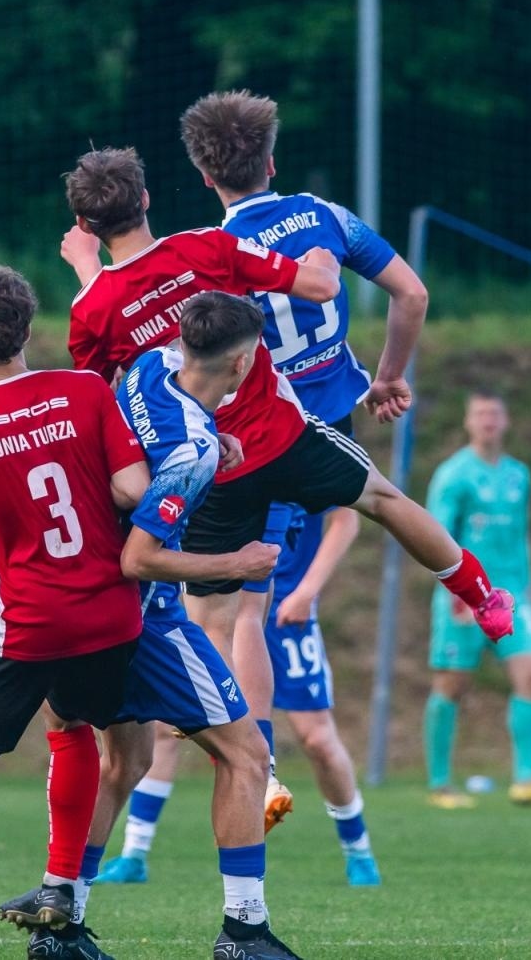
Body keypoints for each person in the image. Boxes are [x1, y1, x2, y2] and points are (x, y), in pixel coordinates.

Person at [61, 146, 516, 830]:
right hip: (282, 433)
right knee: (385, 500)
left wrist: (88, 274)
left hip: (205, 463)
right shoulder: (208, 247)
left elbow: (99, 394)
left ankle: (253, 758)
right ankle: (481, 595)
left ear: (85, 223)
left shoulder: (94, 309)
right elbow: (313, 284)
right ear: (150, 197)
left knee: (229, 616)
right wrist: (326, 260)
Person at [94, 87, 422, 881]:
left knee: (220, 613)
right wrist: (386, 378)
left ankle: (258, 772)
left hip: (244, 440)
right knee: (255, 602)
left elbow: (167, 339)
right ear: (271, 159)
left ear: (205, 175)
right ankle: (210, 803)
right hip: (328, 426)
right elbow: (409, 294)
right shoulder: (323, 215)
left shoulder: (208, 253)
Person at [5, 292, 306, 960]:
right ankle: (244, 932)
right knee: (246, 755)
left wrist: (208, 435)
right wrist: (238, 558)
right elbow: (138, 555)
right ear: (238, 361)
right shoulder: (191, 449)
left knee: (128, 759)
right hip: (142, 617)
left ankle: (61, 918)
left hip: (68, 599)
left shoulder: (145, 368)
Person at [0, 263, 150, 960]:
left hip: (28, 621)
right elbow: (130, 489)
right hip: (111, 617)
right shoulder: (85, 390)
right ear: (27, 327)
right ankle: (58, 892)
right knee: (72, 723)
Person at [97, 506, 382, 891]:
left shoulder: (298, 458)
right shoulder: (215, 466)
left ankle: (358, 850)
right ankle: (134, 852)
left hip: (287, 609)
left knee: (316, 737)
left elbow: (348, 516)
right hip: (222, 597)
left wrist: (308, 590)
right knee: (166, 729)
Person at [425, 391, 531, 809]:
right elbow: (434, 537)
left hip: (512, 598)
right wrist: (455, 594)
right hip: (466, 596)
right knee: (452, 684)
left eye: (495, 414)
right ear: (468, 422)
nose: (488, 421)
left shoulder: (518, 475)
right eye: (480, 414)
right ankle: (440, 784)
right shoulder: (454, 474)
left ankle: (526, 779)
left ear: (505, 422)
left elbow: (520, 538)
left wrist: (529, 589)